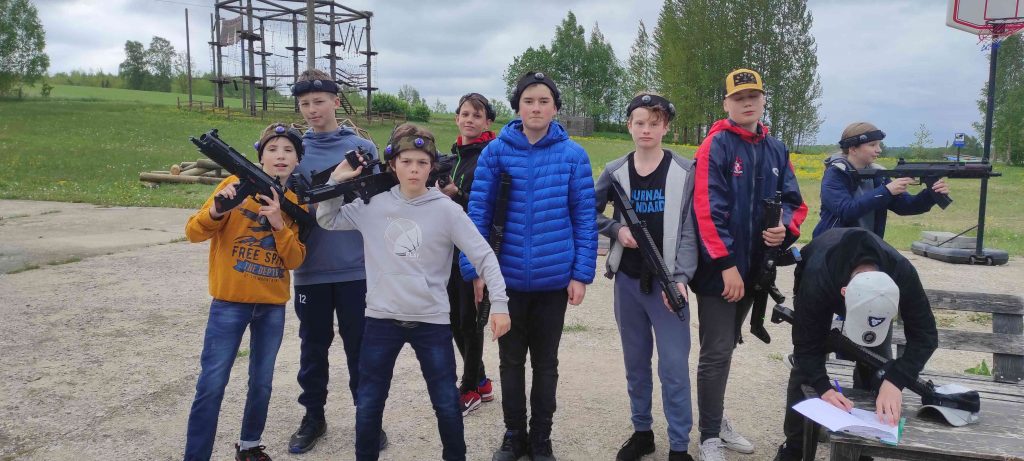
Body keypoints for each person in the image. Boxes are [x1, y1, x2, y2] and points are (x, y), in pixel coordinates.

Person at [317, 123, 512, 461]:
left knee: (446, 403)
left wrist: (500, 304)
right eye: (406, 161)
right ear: (393, 164)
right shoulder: (373, 205)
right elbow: (328, 219)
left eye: (422, 162)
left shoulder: (447, 210)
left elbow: (483, 256)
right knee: (370, 403)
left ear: (431, 166)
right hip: (381, 319)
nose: (414, 169)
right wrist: (336, 181)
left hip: (431, 321)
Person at [461, 71, 598, 461]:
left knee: (546, 364)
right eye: (528, 101)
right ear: (517, 107)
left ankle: (541, 437)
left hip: (553, 281)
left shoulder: (573, 155)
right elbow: (477, 215)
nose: (536, 108)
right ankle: (514, 434)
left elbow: (584, 218)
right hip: (505, 282)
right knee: (510, 362)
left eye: (544, 101)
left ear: (555, 108)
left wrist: (580, 274)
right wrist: (475, 271)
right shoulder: (496, 153)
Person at [689, 68, 808, 461]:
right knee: (716, 351)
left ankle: (716, 418)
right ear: (726, 103)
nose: (747, 103)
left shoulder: (777, 148)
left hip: (757, 270)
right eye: (739, 97)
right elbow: (706, 210)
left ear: (762, 100)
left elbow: (795, 202)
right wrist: (726, 265)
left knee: (726, 348)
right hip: (721, 272)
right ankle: (709, 436)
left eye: (753, 96)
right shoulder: (716, 145)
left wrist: (784, 229)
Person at [183, 123, 308, 461]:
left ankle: (250, 446)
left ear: (298, 160)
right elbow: (193, 232)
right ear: (260, 156)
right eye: (272, 149)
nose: (280, 156)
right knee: (211, 384)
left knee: (262, 382)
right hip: (229, 304)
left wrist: (279, 224)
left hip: (271, 307)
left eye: (288, 151)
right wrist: (217, 211)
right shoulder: (232, 186)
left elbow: (295, 259)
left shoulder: (296, 203)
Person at [773, 227, 938, 461]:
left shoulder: (902, 274)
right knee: (804, 370)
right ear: (844, 293)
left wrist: (895, 379)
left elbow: (926, 336)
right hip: (822, 274)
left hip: (863, 289)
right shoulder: (818, 276)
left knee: (877, 365)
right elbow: (805, 346)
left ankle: (863, 444)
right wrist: (823, 387)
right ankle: (794, 447)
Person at [595, 93, 698, 461]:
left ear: (666, 127)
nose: (646, 130)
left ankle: (679, 446)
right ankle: (642, 433)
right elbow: (585, 211)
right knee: (636, 364)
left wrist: (681, 278)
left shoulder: (685, 171)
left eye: (654, 123)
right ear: (629, 125)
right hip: (628, 282)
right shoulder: (614, 171)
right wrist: (615, 230)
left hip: (668, 287)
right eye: (639, 122)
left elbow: (691, 231)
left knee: (674, 368)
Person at [286, 69, 383, 454]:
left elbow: (377, 201)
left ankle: (368, 418)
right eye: (304, 104)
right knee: (312, 349)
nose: (312, 110)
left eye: (319, 102)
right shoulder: (293, 151)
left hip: (356, 268)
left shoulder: (362, 148)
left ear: (336, 102)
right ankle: (313, 417)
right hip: (310, 268)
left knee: (361, 348)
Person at [440, 92, 499, 415]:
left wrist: (457, 194)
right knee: (452, 320)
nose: (470, 120)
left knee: (470, 321)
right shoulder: (450, 160)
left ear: (487, 122)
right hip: (447, 252)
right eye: (465, 114)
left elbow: (488, 208)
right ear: (457, 118)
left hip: (475, 250)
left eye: (477, 115)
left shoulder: (491, 158)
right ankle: (481, 380)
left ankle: (470, 388)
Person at [812, 122, 950, 238]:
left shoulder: (878, 174)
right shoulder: (835, 173)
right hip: (833, 245)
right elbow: (846, 211)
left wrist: (931, 194)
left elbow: (906, 206)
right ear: (853, 149)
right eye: (872, 145)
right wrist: (886, 191)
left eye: (879, 145)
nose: (879, 150)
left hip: (867, 245)